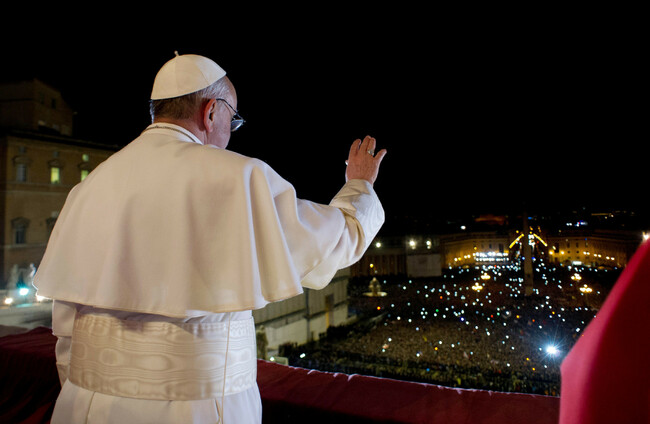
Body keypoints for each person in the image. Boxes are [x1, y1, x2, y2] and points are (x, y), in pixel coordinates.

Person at [34, 53, 387, 424]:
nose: (230, 132)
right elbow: (336, 240)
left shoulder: (89, 187)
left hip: (86, 406)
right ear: (212, 112)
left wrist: (82, 396)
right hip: (200, 409)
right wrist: (359, 184)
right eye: (232, 119)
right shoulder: (240, 177)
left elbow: (67, 326)